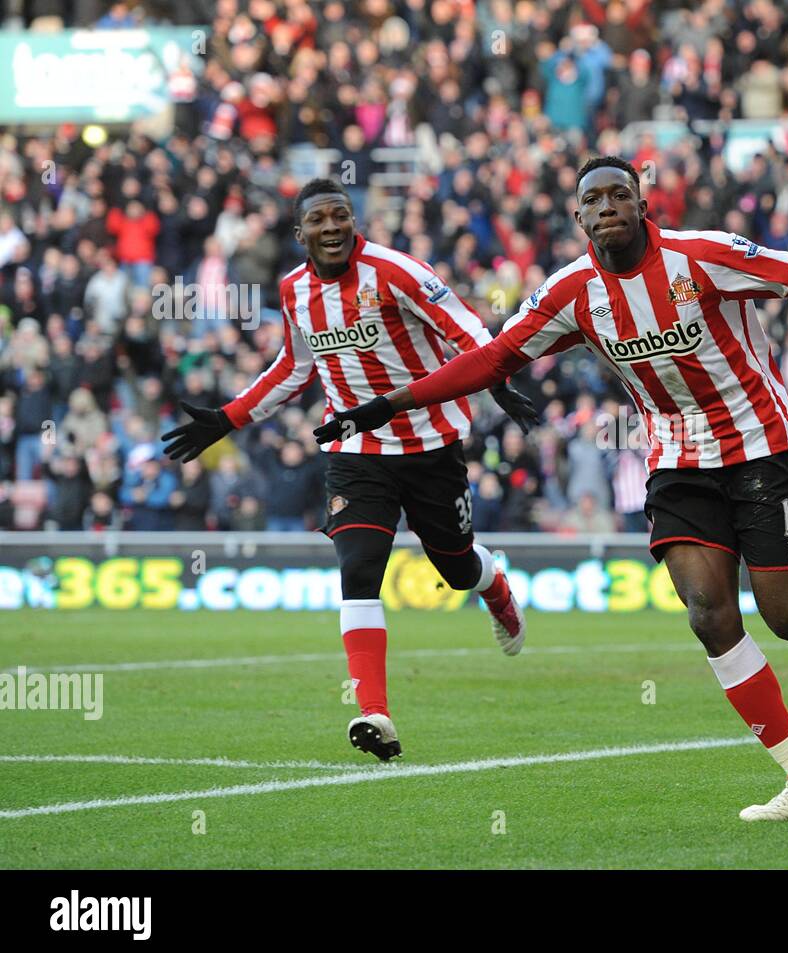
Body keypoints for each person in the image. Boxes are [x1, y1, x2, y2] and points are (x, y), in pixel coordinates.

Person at [314, 156, 788, 820]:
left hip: (762, 450)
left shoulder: (700, 255)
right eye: (593, 200)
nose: (607, 207)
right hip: (678, 464)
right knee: (709, 614)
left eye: (619, 194)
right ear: (579, 219)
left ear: (643, 206)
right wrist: (385, 405)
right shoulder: (571, 291)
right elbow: (496, 355)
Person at [162, 179, 540, 762]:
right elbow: (295, 366)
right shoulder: (294, 290)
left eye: (340, 215)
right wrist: (229, 418)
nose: (332, 227)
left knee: (457, 568)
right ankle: (375, 713)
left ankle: (494, 585)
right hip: (355, 449)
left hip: (430, 444)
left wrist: (500, 380)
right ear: (300, 234)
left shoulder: (397, 271)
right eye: (318, 220)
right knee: (359, 568)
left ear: (353, 221)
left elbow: (465, 330)